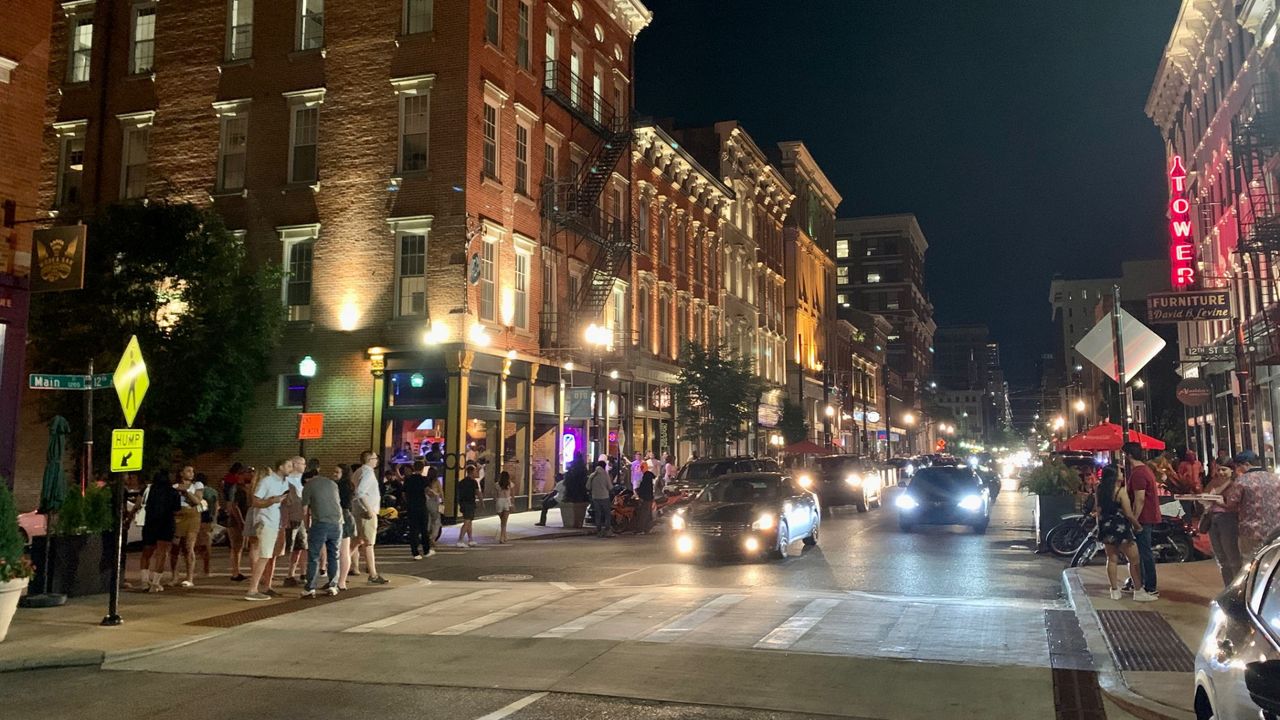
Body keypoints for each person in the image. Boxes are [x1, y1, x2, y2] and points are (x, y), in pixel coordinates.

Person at [1094, 465, 1145, 601]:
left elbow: (1098, 510)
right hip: (1121, 528)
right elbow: (1128, 513)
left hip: (1105, 527)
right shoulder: (1120, 491)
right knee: (1134, 560)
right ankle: (1139, 591)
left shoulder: (1099, 489)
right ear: (1115, 476)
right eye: (1120, 472)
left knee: (1111, 559)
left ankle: (1114, 591)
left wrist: (1099, 527)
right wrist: (1137, 526)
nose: (1122, 474)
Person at [245, 459, 290, 601]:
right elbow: (255, 501)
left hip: (273, 522)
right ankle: (253, 590)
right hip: (265, 522)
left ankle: (257, 588)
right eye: (289, 466)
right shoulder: (267, 482)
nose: (291, 468)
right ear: (281, 467)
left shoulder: (283, 483)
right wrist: (271, 501)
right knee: (264, 555)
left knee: (266, 555)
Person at [1222, 450, 1280, 561]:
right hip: (1275, 530)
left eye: (1239, 466)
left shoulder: (1242, 480)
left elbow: (1231, 505)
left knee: (1251, 562)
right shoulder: (1275, 478)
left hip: (1251, 531)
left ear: (1247, 464)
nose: (1238, 470)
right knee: (1273, 562)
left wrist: (1218, 501)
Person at [1123, 442, 1161, 601]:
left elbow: (1139, 499)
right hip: (1146, 517)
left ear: (1129, 455)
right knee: (1141, 552)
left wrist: (1134, 520)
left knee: (1144, 552)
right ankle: (1140, 582)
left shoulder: (1138, 473)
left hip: (1143, 518)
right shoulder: (1144, 470)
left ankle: (1150, 586)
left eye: (1124, 454)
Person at [300, 461, 343, 598]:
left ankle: (310, 588)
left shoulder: (308, 485)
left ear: (307, 478)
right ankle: (333, 585)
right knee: (334, 556)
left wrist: (307, 527)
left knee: (313, 557)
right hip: (337, 523)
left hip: (320, 524)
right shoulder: (332, 484)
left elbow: (305, 509)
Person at [1201, 460, 1242, 586]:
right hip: (1213, 519)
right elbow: (1204, 496)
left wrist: (1219, 501)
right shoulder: (1214, 482)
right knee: (1221, 558)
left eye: (1224, 469)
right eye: (1218, 469)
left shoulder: (1236, 484)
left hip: (1228, 519)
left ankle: (1237, 589)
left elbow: (1235, 505)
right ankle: (1228, 588)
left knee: (1232, 556)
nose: (1221, 472)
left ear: (1232, 470)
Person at [140, 470, 179, 593]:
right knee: (161, 554)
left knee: (146, 552)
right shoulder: (173, 492)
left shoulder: (148, 490)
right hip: (166, 524)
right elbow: (176, 510)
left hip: (150, 523)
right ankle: (155, 583)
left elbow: (140, 504)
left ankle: (144, 581)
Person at [353, 451, 389, 584]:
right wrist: (369, 509)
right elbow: (360, 492)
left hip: (357, 511)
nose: (376, 460)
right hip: (366, 512)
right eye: (375, 458)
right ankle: (372, 574)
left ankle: (340, 567)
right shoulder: (368, 473)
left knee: (356, 541)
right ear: (369, 459)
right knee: (368, 543)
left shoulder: (358, 471)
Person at [171, 465, 203, 588]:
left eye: (193, 471)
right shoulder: (174, 486)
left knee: (189, 547)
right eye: (188, 471)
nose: (191, 473)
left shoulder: (197, 485)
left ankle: (189, 578)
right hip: (178, 516)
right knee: (175, 547)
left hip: (192, 516)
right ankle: (174, 577)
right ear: (181, 473)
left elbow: (197, 501)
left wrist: (186, 491)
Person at [221, 463, 251, 581]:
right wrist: (241, 522)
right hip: (235, 522)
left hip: (240, 520)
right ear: (241, 475)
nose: (250, 475)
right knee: (236, 547)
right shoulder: (237, 488)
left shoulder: (242, 488)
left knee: (238, 547)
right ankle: (235, 572)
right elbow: (234, 506)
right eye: (248, 473)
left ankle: (236, 571)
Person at [282, 456, 308, 587]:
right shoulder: (286, 481)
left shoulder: (299, 482)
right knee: (287, 548)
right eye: (303, 463)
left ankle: (292, 574)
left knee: (300, 546)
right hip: (290, 519)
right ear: (295, 464)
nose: (305, 466)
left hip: (299, 519)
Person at [403, 460, 433, 559]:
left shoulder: (408, 479)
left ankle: (415, 552)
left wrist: (408, 501)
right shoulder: (424, 479)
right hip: (421, 506)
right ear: (422, 468)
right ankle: (426, 550)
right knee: (424, 529)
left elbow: (403, 494)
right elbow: (428, 492)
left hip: (411, 507)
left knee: (413, 529)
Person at [335, 464, 355, 591]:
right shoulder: (348, 485)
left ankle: (341, 580)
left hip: (343, 517)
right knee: (343, 551)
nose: (334, 474)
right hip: (345, 517)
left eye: (337, 472)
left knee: (342, 551)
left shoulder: (341, 486)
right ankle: (339, 579)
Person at [195, 472, 219, 578]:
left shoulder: (197, 491)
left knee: (197, 544)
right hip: (208, 519)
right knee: (207, 544)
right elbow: (217, 506)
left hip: (198, 519)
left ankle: (201, 568)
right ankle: (206, 568)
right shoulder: (213, 491)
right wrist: (214, 519)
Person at [455, 464, 480, 547]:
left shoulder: (461, 482)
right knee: (467, 522)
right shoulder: (473, 482)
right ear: (472, 472)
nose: (476, 472)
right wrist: (482, 501)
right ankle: (460, 540)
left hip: (463, 503)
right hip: (470, 503)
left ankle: (470, 539)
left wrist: (459, 503)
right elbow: (477, 492)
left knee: (469, 522)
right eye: (475, 471)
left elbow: (458, 494)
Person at [563, 453, 590, 529]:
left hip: (573, 492)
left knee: (575, 507)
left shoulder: (573, 467)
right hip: (581, 493)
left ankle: (575, 523)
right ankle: (578, 523)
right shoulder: (583, 467)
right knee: (579, 508)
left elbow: (569, 479)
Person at [589, 460, 612, 538]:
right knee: (607, 513)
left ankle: (598, 530)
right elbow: (610, 486)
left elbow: (588, 486)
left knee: (597, 514)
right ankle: (607, 530)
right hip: (604, 496)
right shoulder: (605, 475)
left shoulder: (593, 475)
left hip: (595, 497)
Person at [425, 466, 443, 550]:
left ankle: (427, 536)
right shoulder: (436, 481)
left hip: (426, 502)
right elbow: (441, 492)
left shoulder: (425, 481)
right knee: (436, 521)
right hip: (434, 502)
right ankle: (433, 538)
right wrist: (443, 501)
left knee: (428, 519)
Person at [495, 470, 514, 543]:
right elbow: (512, 495)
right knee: (504, 522)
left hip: (499, 501)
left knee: (502, 521)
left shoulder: (497, 485)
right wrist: (512, 503)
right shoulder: (510, 484)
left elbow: (495, 495)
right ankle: (501, 538)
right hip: (507, 501)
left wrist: (496, 501)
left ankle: (505, 536)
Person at [636, 469, 655, 534]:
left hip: (645, 500)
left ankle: (642, 529)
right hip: (648, 500)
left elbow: (640, 491)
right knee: (647, 515)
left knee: (643, 515)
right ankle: (646, 529)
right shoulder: (649, 484)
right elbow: (650, 493)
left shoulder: (643, 483)